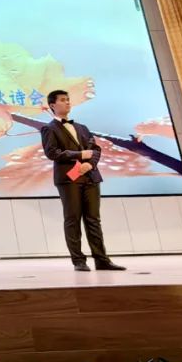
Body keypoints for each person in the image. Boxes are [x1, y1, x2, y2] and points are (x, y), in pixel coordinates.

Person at [40, 89, 126, 272]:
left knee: (93, 219)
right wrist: (80, 155)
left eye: (68, 99)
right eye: (63, 100)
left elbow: (95, 149)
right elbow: (52, 153)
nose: (67, 102)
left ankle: (102, 260)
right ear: (53, 105)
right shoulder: (49, 128)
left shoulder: (82, 128)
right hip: (69, 179)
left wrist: (89, 164)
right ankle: (78, 261)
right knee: (73, 219)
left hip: (90, 176)